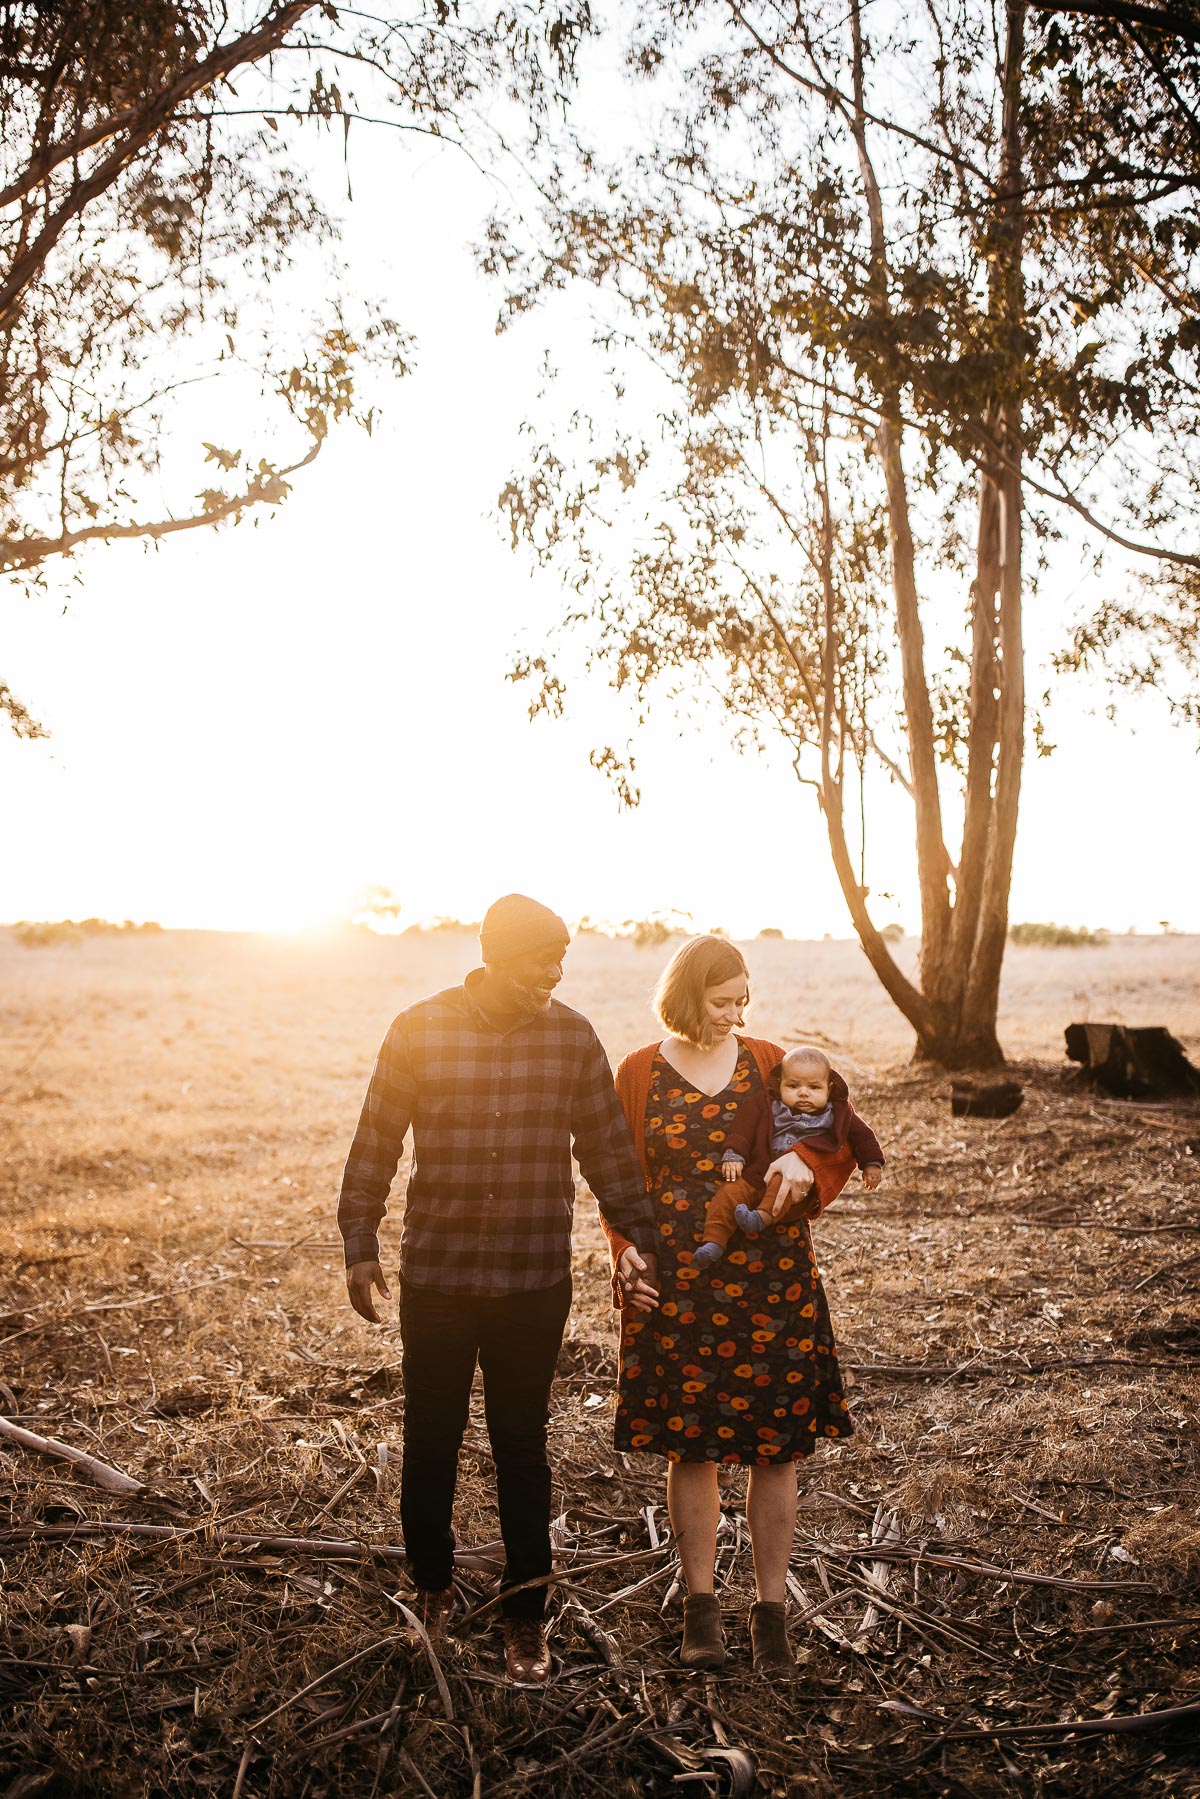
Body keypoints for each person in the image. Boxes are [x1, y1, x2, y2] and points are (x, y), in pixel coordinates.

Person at [337, 893, 660, 1686]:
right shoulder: (420, 1027)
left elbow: (609, 1150)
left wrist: (641, 1241)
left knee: (522, 1446)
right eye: (537, 961)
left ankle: (525, 1616)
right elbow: (377, 1136)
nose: (552, 973)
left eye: (561, 960)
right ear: (493, 956)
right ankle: (433, 1586)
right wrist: (359, 1242)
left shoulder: (572, 1035)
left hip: (532, 1277)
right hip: (438, 1276)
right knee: (431, 1438)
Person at [600, 936, 853, 1673]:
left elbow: (831, 1135)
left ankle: (771, 1611)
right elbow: (621, 1181)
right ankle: (701, 1607)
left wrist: (808, 1170)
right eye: (721, 1001)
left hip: (772, 1283)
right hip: (681, 1281)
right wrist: (625, 1251)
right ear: (684, 994)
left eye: (743, 1000)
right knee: (693, 1445)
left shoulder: (772, 1061)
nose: (735, 1015)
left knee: (776, 1448)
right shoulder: (638, 1071)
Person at [693, 1045, 884, 1266]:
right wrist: (734, 1154)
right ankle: (713, 1241)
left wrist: (871, 1163)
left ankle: (761, 1218)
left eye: (814, 1087)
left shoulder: (839, 1112)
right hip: (756, 1173)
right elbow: (743, 1127)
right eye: (793, 1086)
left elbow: (862, 1137)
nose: (803, 1093)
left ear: (829, 1088)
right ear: (780, 1084)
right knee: (728, 1193)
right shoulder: (768, 1104)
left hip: (792, 1185)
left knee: (780, 1184)